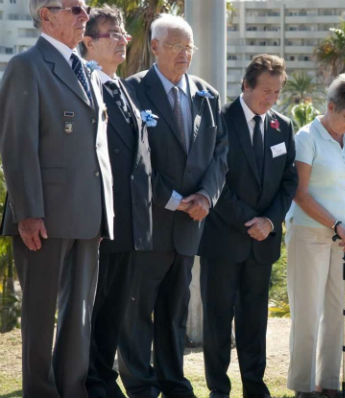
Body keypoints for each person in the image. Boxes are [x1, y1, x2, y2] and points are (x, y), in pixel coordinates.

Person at [0, 1, 114, 396]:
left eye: (85, 7)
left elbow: (97, 150)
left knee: (78, 317)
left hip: (86, 216)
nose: (84, 15)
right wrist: (28, 213)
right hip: (42, 219)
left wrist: (104, 216)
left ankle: (72, 389)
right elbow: (17, 146)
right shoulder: (26, 66)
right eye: (73, 8)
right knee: (40, 315)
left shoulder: (88, 72)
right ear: (44, 15)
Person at [118, 14, 228, 398]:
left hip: (189, 225)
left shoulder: (207, 95)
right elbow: (132, 158)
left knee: (174, 312)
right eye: (176, 46)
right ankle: (140, 384)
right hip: (147, 223)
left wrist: (206, 197)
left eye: (189, 47)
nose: (185, 54)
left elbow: (220, 155)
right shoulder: (130, 90)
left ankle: (172, 380)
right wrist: (174, 199)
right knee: (137, 311)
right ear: (154, 47)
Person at [199, 54, 298, 398]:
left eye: (276, 92)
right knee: (218, 320)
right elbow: (216, 181)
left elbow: (290, 181)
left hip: (263, 242)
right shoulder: (220, 120)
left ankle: (254, 387)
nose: (271, 99)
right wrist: (248, 221)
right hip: (224, 240)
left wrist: (270, 221)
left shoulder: (282, 126)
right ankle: (218, 388)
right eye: (265, 91)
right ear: (246, 85)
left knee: (255, 322)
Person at [80, 6, 153, 397]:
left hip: (128, 220)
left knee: (115, 306)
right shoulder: (85, 84)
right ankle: (91, 379)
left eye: (123, 33)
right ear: (89, 42)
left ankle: (104, 377)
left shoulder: (122, 86)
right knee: (93, 304)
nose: (122, 39)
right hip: (98, 219)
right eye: (112, 34)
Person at [286, 73, 345, 398]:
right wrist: (336, 225)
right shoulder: (307, 137)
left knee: (337, 311)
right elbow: (300, 193)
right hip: (309, 232)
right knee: (308, 312)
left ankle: (330, 384)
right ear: (331, 106)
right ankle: (304, 388)